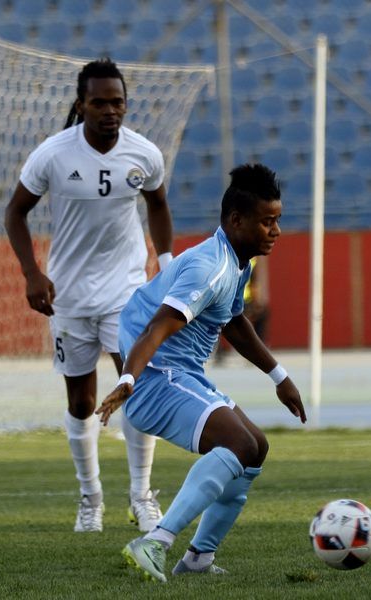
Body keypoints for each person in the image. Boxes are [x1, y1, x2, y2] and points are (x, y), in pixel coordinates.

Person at [95, 163, 306, 583]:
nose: (276, 231)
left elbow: (234, 322)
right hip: (155, 379)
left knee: (256, 448)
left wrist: (279, 376)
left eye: (278, 220)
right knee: (237, 443)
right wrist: (127, 380)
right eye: (267, 221)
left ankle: (198, 558)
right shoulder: (210, 267)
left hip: (179, 375)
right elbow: (157, 328)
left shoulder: (237, 262)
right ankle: (154, 541)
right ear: (236, 220)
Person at [4, 58, 174, 533]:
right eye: (99, 102)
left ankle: (141, 496)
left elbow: (159, 204)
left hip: (126, 291)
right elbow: (15, 213)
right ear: (81, 105)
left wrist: (165, 264)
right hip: (70, 295)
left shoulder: (144, 153)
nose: (109, 111)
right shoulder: (53, 154)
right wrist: (31, 273)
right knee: (82, 401)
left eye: (117, 102)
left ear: (126, 105)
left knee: (136, 388)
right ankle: (90, 498)